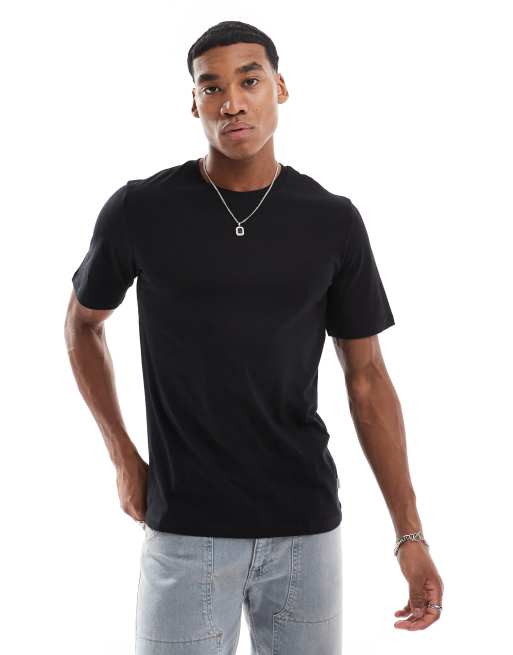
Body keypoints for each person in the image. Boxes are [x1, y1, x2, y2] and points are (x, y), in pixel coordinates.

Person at [64, 19, 444, 655]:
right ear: (194, 103)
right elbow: (83, 324)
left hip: (304, 533)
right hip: (185, 529)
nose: (232, 102)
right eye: (211, 87)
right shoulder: (141, 210)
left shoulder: (331, 221)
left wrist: (409, 534)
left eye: (249, 81)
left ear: (280, 88)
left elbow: (367, 379)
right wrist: (123, 457)